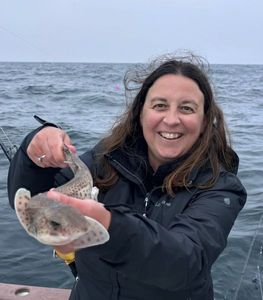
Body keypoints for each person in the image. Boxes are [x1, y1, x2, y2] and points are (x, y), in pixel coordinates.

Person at [8, 53, 247, 300]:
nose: (172, 119)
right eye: (160, 105)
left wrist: (110, 224)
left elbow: (186, 262)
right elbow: (34, 201)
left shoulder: (221, 188)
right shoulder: (106, 159)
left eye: (187, 108)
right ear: (140, 113)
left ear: (205, 120)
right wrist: (33, 156)